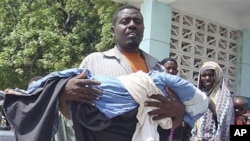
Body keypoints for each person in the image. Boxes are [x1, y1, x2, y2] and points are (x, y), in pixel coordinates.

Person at [3, 5, 186, 141]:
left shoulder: (158, 69)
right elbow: (73, 115)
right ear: (113, 31)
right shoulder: (94, 62)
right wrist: (63, 91)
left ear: (143, 30)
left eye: (137, 22)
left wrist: (179, 111)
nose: (132, 25)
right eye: (125, 21)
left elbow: (171, 119)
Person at [190, 61, 234, 141]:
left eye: (210, 75)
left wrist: (212, 106)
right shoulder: (199, 95)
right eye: (204, 75)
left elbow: (225, 124)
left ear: (217, 76)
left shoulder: (224, 97)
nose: (207, 78)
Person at [160, 57, 191, 141]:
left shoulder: (182, 88)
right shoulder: (155, 86)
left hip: (176, 128)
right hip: (157, 126)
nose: (171, 71)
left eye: (173, 69)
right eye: (168, 68)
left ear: (177, 72)